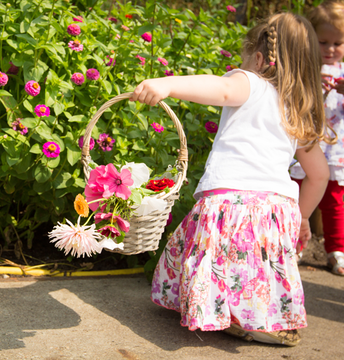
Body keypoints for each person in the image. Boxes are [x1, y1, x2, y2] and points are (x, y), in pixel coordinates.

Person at [130, 13, 332, 346]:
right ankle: (259, 319)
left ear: (258, 58)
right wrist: (302, 217)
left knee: (220, 256)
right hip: (275, 209)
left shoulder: (252, 82)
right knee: (255, 266)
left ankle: (221, 311)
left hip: (231, 200)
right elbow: (319, 175)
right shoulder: (300, 109)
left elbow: (222, 89)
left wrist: (168, 84)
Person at [290, 0, 344, 276]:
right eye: (323, 42)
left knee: (334, 202)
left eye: (338, 43)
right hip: (303, 146)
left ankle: (337, 249)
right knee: (296, 195)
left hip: (335, 151)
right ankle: (293, 243)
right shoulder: (304, 68)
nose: (330, 49)